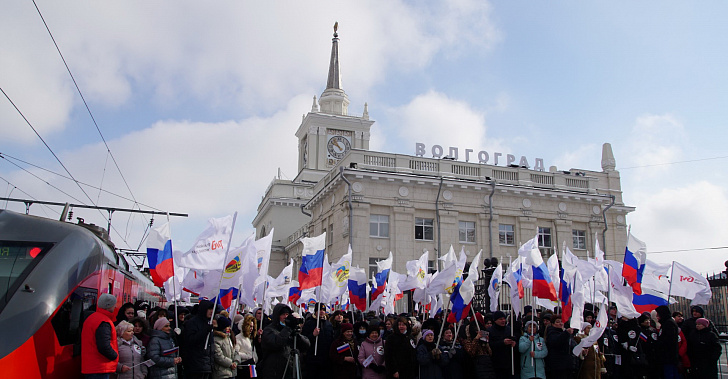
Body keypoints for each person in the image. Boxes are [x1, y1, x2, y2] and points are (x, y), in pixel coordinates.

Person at [258, 303, 310, 379]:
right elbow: (277, 343)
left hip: (290, 370)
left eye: (287, 314)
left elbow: (306, 345)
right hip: (274, 372)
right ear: (277, 316)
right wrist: (288, 328)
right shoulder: (269, 330)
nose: (285, 317)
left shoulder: (289, 330)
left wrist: (296, 334)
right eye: (283, 314)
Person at [82, 293, 124, 379]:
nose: (115, 307)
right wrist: (114, 356)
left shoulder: (91, 318)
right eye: (113, 305)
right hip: (100, 367)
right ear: (109, 306)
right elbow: (103, 346)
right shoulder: (104, 321)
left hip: (91, 366)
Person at [181, 300, 216, 379]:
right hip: (195, 366)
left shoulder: (208, 323)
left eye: (212, 309)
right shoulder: (192, 323)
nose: (211, 311)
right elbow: (191, 340)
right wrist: (205, 330)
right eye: (209, 309)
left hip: (207, 365)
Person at [302, 303, 335, 379]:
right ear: (315, 311)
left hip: (325, 358)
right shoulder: (309, 323)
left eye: (323, 310)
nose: (322, 312)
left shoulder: (328, 324)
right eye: (319, 310)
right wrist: (313, 335)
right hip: (313, 357)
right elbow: (304, 339)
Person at [488, 310, 518, 379]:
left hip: (509, 363)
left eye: (504, 319)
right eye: (500, 319)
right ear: (495, 320)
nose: (503, 321)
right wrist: (502, 343)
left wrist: (514, 344)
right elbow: (490, 345)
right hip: (496, 363)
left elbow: (515, 340)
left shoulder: (509, 329)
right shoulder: (490, 331)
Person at [544, 314, 576, 379]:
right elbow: (556, 341)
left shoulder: (564, 332)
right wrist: (566, 333)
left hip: (567, 365)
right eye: (558, 322)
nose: (561, 323)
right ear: (553, 324)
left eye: (562, 321)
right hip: (557, 366)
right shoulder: (551, 333)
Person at [654, 305, 681, 379]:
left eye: (658, 314)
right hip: (667, 356)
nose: (657, 316)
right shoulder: (665, 323)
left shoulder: (669, 324)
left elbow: (669, 340)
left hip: (668, 356)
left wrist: (659, 344)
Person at [235, 315, 258, 379]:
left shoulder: (250, 338)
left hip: (252, 366)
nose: (251, 328)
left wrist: (255, 358)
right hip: (244, 367)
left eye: (252, 327)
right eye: (250, 326)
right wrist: (248, 356)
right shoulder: (238, 338)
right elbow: (236, 352)